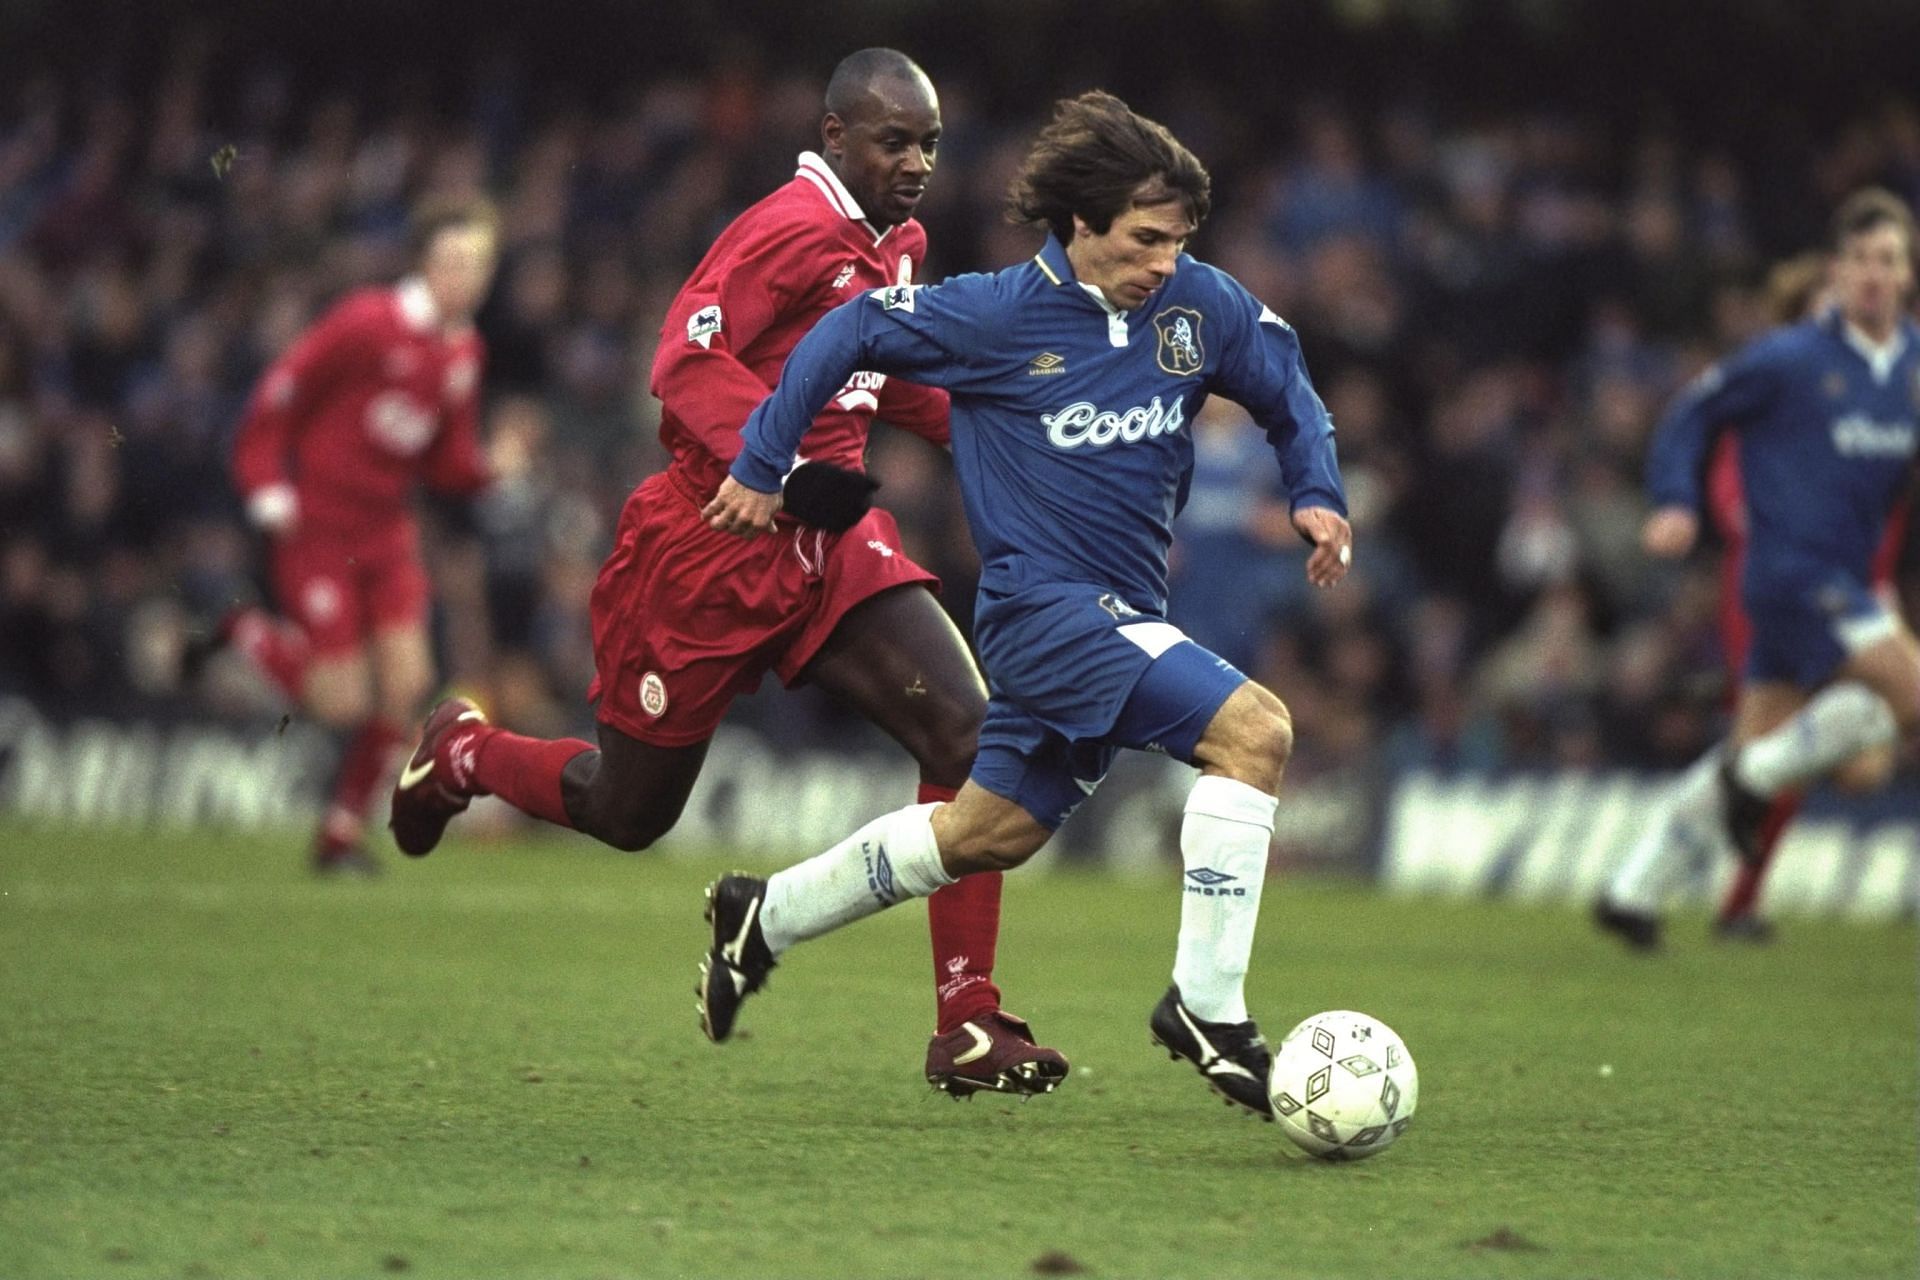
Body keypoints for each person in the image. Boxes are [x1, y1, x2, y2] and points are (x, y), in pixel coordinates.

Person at [386, 50, 1069, 1099]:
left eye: (929, 142)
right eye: (895, 140)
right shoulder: (787, 228)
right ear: (836, 137)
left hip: (828, 543)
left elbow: (882, 374)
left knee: (972, 739)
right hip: (711, 542)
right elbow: (681, 357)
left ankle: (967, 1019)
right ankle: (464, 752)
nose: (918, 162)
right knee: (628, 810)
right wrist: (782, 466)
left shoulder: (898, 241)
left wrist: (1003, 428)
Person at [697, 90, 1352, 1119]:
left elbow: (1285, 383)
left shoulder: (1197, 306)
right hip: (1044, 613)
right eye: (1145, 239)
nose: (1164, 262)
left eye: (1179, 239)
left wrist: (1316, 491)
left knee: (982, 834)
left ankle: (762, 914)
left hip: (1124, 608)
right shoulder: (994, 315)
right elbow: (848, 331)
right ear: (1081, 225)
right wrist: (764, 457)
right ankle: (1209, 1008)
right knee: (1256, 733)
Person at [1595, 188, 1920, 949]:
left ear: (1907, 275)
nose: (1875, 274)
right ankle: (1754, 784)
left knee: (1830, 759)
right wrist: (1677, 499)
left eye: (1891, 260)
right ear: (1837, 270)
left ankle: (1632, 888)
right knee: (1906, 693)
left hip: (1847, 582)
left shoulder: (1910, 369)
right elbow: (1690, 413)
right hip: (1791, 575)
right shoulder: (1790, 358)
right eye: (1862, 259)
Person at [225, 196, 500, 875]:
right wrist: (265, 483)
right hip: (319, 526)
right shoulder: (366, 323)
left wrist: (494, 466)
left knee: (407, 684)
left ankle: (339, 834)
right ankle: (242, 630)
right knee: (338, 702)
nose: (466, 278)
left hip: (386, 532)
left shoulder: (464, 351)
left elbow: (446, 462)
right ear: (424, 263)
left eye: (478, 266)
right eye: (454, 262)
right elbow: (282, 391)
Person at [1701, 253, 1910, 941]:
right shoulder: (1772, 402)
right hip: (1782, 592)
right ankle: (1734, 900)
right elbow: (1733, 502)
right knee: (1792, 748)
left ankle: (1719, 817)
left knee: (1859, 765)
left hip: (1860, 594)